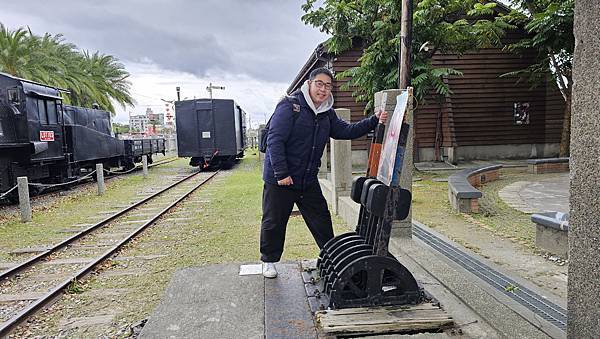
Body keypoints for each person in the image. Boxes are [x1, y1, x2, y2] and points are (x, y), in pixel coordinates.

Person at [260, 67, 388, 278]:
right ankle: (269, 261)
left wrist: (373, 120)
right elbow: (275, 140)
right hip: (280, 179)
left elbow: (346, 131)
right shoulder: (290, 106)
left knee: (321, 220)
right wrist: (282, 173)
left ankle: (331, 257)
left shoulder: (327, 113)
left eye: (328, 86)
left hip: (307, 179)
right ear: (309, 84)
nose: (323, 89)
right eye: (319, 83)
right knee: (274, 222)